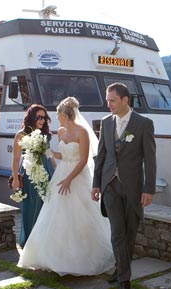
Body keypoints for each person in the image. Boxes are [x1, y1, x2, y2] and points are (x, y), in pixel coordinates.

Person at [17, 97, 115, 276]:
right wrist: (48, 152)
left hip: (77, 176)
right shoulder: (61, 132)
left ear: (64, 114)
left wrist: (69, 179)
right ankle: (52, 256)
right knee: (55, 213)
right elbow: (62, 155)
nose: (55, 117)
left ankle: (82, 258)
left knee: (79, 215)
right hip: (61, 174)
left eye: (57, 114)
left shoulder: (82, 132)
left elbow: (84, 160)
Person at [92, 83, 157, 289]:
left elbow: (150, 159)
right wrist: (96, 184)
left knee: (130, 234)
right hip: (110, 184)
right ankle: (124, 280)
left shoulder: (144, 124)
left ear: (125, 100)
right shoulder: (105, 123)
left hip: (134, 188)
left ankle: (120, 268)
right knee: (117, 232)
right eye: (107, 100)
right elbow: (101, 155)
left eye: (112, 100)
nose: (108, 104)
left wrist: (149, 189)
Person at [11, 104, 55, 248]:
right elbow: (16, 159)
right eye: (39, 117)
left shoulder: (45, 134)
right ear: (31, 117)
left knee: (48, 206)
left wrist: (58, 171)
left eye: (44, 118)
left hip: (47, 172)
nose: (42, 120)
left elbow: (49, 155)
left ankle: (46, 242)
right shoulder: (21, 135)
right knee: (31, 206)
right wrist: (16, 178)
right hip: (30, 174)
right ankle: (31, 243)